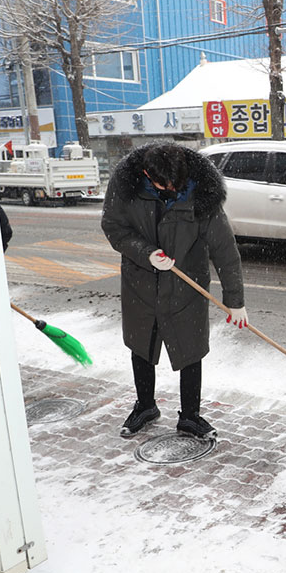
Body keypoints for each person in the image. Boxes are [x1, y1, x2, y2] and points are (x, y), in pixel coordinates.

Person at [101, 142, 247, 440]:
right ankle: (144, 406)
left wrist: (235, 301)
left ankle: (190, 417)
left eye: (175, 184)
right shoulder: (125, 184)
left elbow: (225, 250)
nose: (170, 189)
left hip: (186, 285)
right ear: (145, 173)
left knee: (190, 349)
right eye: (162, 185)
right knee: (141, 345)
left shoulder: (203, 192)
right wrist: (145, 253)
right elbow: (113, 227)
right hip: (140, 281)